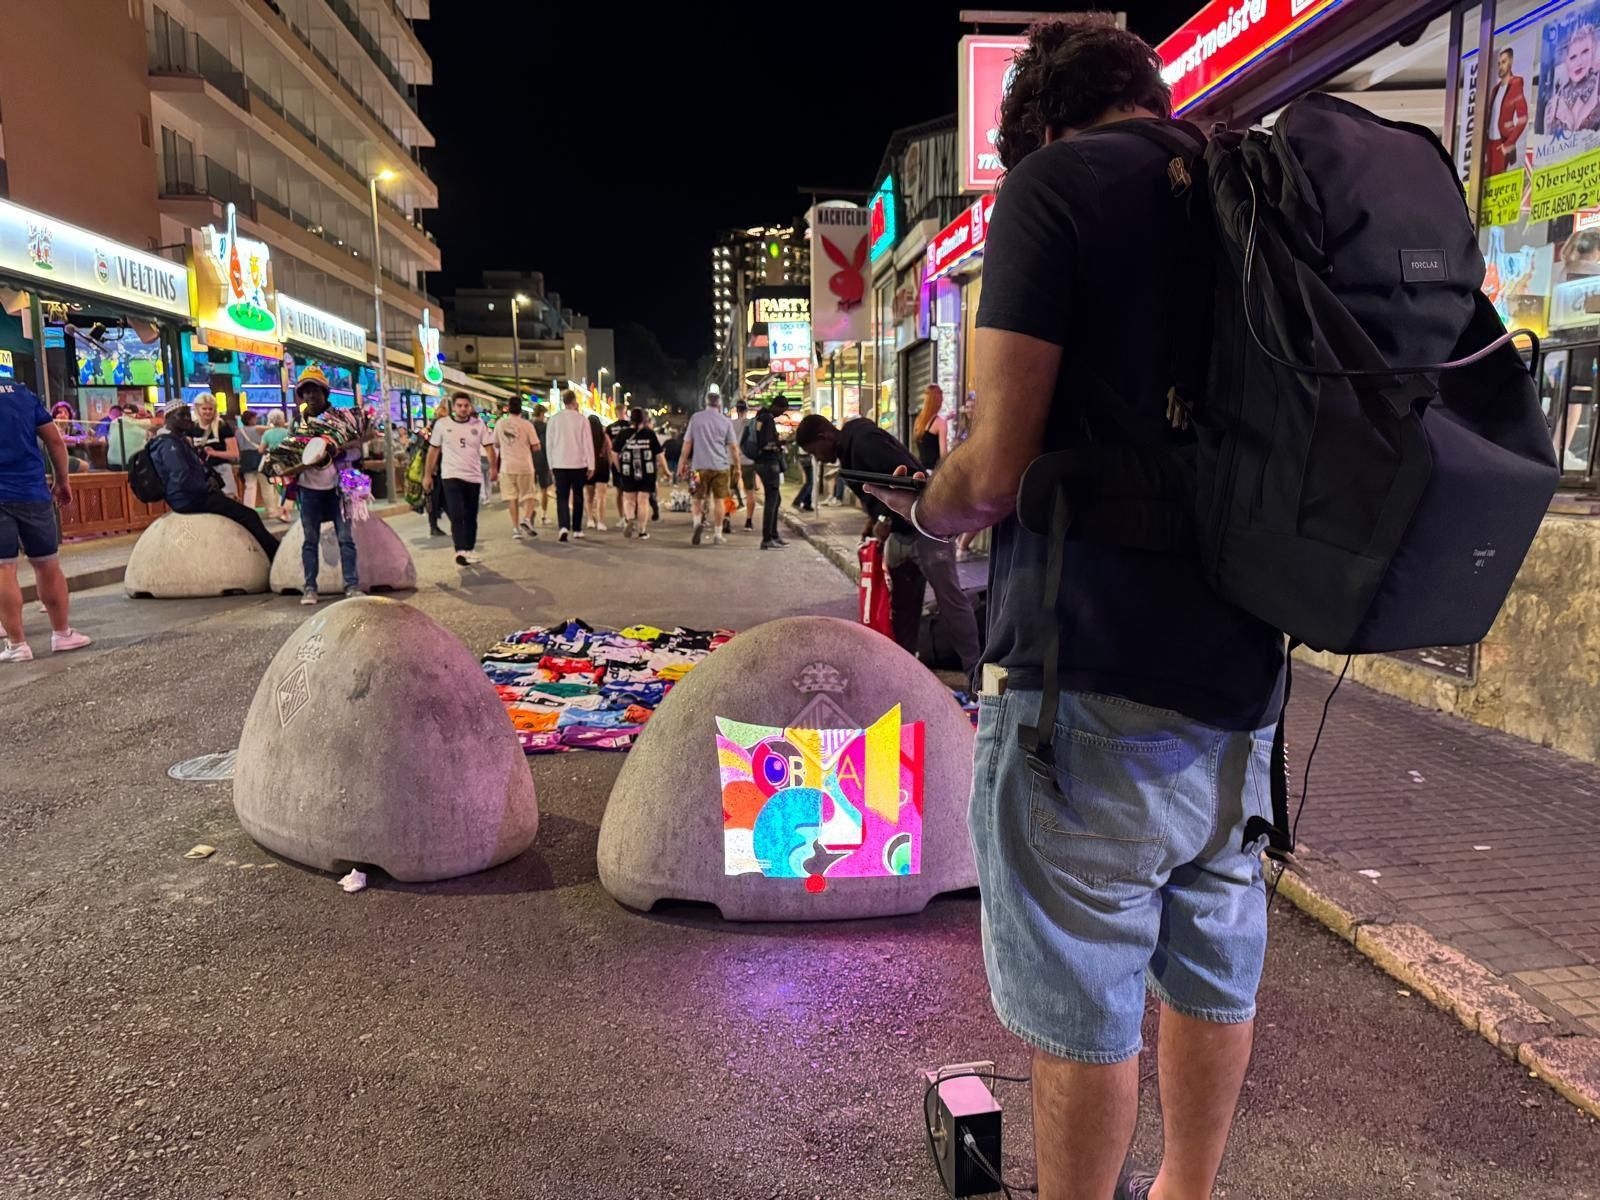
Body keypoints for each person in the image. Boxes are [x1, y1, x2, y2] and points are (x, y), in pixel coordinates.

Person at [862, 22, 1286, 1200]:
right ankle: (1186, 1191)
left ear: (1039, 127)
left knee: (1082, 1002)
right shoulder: (1245, 188)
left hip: (1084, 675)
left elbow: (997, 469)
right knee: (1213, 967)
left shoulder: (1054, 187)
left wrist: (928, 506)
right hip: (1244, 675)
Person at [798, 414, 980, 675]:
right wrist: (873, 521)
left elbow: (907, 476)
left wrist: (884, 518)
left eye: (814, 451)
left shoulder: (863, 440)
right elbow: (878, 490)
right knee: (902, 609)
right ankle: (905, 673)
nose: (817, 458)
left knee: (950, 601)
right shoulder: (848, 452)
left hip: (926, 530)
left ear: (823, 436)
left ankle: (975, 673)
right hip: (900, 534)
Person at [0, 376, 91, 663]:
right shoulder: (20, 392)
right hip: (32, 491)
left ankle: (17, 644)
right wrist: (62, 480)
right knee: (47, 563)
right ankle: (62, 634)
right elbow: (54, 440)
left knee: (3, 568)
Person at [147, 404, 280, 563]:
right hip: (188, 498)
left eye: (188, 415)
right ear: (168, 418)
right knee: (248, 515)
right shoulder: (169, 444)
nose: (187, 419)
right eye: (181, 415)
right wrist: (206, 486)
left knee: (242, 513)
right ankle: (275, 555)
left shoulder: (175, 441)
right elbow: (181, 476)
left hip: (186, 496)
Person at [284, 370, 362, 603]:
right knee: (310, 540)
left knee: (346, 539)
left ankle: (352, 585)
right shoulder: (297, 423)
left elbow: (358, 451)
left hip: (339, 488)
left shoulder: (341, 419)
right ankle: (310, 587)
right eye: (306, 391)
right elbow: (289, 455)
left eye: (315, 390)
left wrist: (339, 452)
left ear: (325, 393)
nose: (310, 396)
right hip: (308, 489)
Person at [425, 391, 498, 566]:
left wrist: (494, 468)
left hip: (473, 476)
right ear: (454, 407)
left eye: (466, 406)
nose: (463, 409)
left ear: (470, 407)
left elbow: (489, 448)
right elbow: (433, 450)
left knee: (470, 515)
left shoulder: (478, 425)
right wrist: (427, 475)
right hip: (451, 475)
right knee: (456, 514)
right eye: (459, 406)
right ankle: (460, 550)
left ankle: (470, 548)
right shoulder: (442, 425)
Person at [679, 388, 740, 546]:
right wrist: (737, 467)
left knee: (697, 499)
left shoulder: (696, 418)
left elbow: (687, 444)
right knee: (719, 501)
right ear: (719, 404)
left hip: (698, 467)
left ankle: (697, 524)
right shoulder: (725, 421)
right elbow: (733, 447)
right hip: (721, 467)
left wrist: (681, 463)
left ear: (705, 403)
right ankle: (717, 534)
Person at [544, 388, 594, 542]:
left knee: (562, 497)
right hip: (578, 464)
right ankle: (577, 529)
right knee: (578, 495)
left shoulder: (554, 419)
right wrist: (591, 464)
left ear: (563, 402)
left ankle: (563, 526)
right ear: (574, 402)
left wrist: (551, 465)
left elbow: (549, 444)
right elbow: (588, 444)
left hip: (559, 463)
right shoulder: (582, 420)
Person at [494, 396, 542, 543]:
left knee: (512, 498)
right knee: (529, 496)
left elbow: (496, 444)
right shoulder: (527, 425)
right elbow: (536, 446)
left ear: (508, 408)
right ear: (521, 408)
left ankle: (516, 529)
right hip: (524, 466)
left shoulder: (500, 423)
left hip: (507, 466)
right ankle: (526, 519)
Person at [613, 407, 666, 540]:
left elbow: (614, 454)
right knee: (643, 501)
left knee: (629, 499)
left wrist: (619, 468)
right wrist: (666, 470)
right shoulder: (649, 434)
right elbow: (659, 454)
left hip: (628, 471)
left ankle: (630, 518)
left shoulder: (623, 434)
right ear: (644, 419)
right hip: (647, 472)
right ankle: (642, 531)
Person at [750, 395, 788, 550]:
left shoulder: (760, 417)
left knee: (776, 499)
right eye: (782, 410)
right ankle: (767, 538)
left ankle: (774, 535)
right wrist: (779, 444)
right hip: (769, 463)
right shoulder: (768, 419)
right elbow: (766, 443)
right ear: (777, 406)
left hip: (759, 463)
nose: (781, 414)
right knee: (772, 500)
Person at [1487, 45, 1529, 176]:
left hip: (1502, 142)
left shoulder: (1516, 83)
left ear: (1511, 62)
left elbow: (1523, 118)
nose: (1500, 66)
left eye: (1504, 62)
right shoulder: (1495, 89)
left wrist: (1509, 143)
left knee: (1498, 180)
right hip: (1489, 143)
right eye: (1499, 63)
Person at [191, 394, 239, 498]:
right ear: (197, 409)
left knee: (228, 499)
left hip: (222, 470)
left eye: (210, 409)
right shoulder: (192, 427)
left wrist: (214, 453)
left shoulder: (222, 426)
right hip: (201, 472)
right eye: (204, 409)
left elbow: (234, 453)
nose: (208, 412)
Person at [730, 399, 759, 531]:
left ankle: (726, 517)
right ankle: (748, 521)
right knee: (750, 492)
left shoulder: (730, 424)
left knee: (730, 491)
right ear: (746, 410)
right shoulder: (751, 424)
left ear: (736, 410)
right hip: (748, 461)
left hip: (732, 461)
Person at [259, 410, 291, 521]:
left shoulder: (267, 433)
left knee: (267, 488)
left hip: (269, 464)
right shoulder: (287, 432)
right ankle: (282, 511)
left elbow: (261, 450)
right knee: (282, 487)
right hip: (284, 464)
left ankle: (271, 511)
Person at [585, 412, 612, 531]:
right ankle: (601, 522)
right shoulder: (604, 436)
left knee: (589, 496)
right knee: (601, 496)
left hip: (589, 466)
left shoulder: (585, 436)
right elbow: (610, 451)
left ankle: (590, 519)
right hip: (602, 466)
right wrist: (610, 466)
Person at [913, 384, 949, 470]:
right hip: (934, 471)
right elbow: (943, 455)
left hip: (922, 469)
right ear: (939, 401)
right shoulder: (941, 422)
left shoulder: (919, 420)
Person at [105, 405, 152, 470]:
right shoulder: (140, 424)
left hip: (112, 463)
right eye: (142, 415)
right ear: (136, 414)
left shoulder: (113, 422)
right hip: (132, 464)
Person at [606, 411, 632, 526]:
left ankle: (622, 517)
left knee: (619, 492)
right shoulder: (630, 426)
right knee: (630, 492)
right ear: (625, 412)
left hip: (616, 461)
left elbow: (609, 447)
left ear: (616, 413)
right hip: (629, 461)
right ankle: (629, 516)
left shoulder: (610, 428)